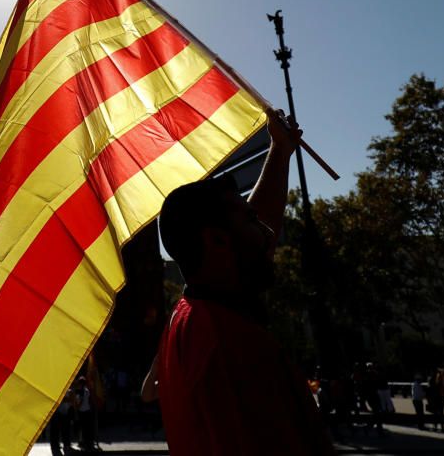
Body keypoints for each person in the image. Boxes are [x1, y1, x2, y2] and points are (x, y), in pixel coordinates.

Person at [141, 112, 333, 455]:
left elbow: (255, 235)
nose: (268, 233)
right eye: (250, 220)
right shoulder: (227, 346)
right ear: (217, 241)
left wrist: (280, 151)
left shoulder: (192, 317)